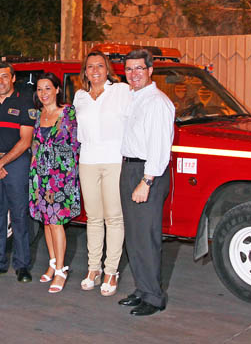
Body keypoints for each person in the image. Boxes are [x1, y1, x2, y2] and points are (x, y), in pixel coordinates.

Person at [117, 49, 175, 316]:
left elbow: (160, 147)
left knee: (147, 236)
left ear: (151, 70)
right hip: (130, 168)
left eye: (139, 68)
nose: (134, 74)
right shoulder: (132, 97)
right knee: (135, 235)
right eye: (129, 69)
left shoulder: (157, 102)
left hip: (146, 173)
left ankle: (153, 297)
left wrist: (147, 181)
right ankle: (142, 289)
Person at [73, 50, 131, 296]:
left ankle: (111, 270)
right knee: (94, 218)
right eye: (90, 67)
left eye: (99, 66)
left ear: (107, 69)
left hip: (114, 160)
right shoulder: (80, 97)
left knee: (114, 218)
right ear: (84, 71)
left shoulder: (121, 91)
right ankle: (93, 268)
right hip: (87, 161)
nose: (95, 70)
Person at [0, 61, 36, 283]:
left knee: (20, 215)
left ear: (12, 78)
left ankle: (22, 265)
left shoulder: (24, 103)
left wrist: (1, 164)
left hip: (16, 164)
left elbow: (25, 140)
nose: (0, 81)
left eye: (4, 76)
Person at [28, 72, 80, 293]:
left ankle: (61, 270)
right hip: (40, 177)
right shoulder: (38, 115)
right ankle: (52, 262)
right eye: (40, 89)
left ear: (57, 89)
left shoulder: (68, 112)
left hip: (60, 177)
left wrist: (68, 177)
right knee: (46, 222)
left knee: (57, 223)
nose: (43, 93)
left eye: (48, 88)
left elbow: (76, 145)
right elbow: (35, 146)